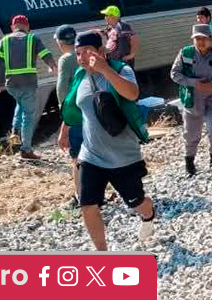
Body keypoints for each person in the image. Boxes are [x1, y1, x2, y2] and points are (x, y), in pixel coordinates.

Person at [60, 31, 154, 250]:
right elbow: (76, 106)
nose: (81, 58)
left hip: (123, 156)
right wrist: (64, 130)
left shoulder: (121, 70)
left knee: (138, 203)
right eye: (77, 53)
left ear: (101, 51)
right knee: (87, 204)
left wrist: (105, 69)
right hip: (91, 155)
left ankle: (148, 215)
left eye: (86, 51)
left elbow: (132, 94)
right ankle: (103, 254)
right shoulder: (81, 76)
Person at [170, 24, 212, 177]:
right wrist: (194, 83)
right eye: (197, 38)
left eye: (204, 38)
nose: (201, 42)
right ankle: (189, 165)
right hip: (192, 100)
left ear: (210, 39)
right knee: (191, 135)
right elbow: (174, 74)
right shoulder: (185, 53)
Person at [0, 15, 56, 160]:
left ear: (13, 27)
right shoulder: (33, 38)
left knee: (20, 104)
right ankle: (26, 150)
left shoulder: (4, 40)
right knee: (28, 116)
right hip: (28, 83)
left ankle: (15, 131)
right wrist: (52, 66)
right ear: (27, 26)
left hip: (12, 84)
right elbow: (45, 54)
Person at [53, 25, 82, 206]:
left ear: (60, 42)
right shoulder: (84, 54)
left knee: (77, 156)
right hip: (90, 111)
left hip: (75, 114)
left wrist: (64, 116)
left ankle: (81, 196)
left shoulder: (66, 58)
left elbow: (62, 88)